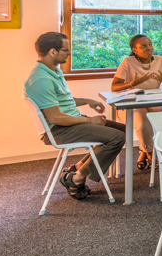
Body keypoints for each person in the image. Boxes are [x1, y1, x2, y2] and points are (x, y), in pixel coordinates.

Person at [24, 32, 125, 200]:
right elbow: (55, 117)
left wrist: (87, 101)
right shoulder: (40, 79)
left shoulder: (53, 71)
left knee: (123, 130)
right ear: (52, 52)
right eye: (66, 50)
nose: (69, 53)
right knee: (117, 137)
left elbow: (63, 101)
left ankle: (78, 167)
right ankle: (76, 178)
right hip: (57, 129)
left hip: (68, 122)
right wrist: (89, 120)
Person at [111, 34, 162, 170]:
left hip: (152, 101)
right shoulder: (127, 62)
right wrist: (132, 83)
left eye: (150, 45)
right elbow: (114, 87)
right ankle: (150, 153)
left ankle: (144, 150)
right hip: (131, 104)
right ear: (135, 50)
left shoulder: (161, 60)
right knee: (142, 123)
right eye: (144, 46)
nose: (149, 48)